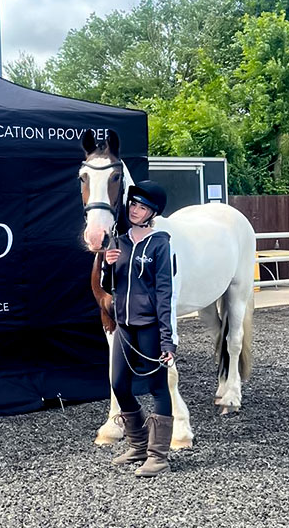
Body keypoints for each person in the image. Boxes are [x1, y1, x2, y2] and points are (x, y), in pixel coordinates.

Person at [102, 180, 177, 477]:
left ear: (152, 213)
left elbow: (164, 292)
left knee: (158, 387)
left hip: (149, 327)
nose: (135, 210)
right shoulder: (118, 242)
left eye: (142, 207)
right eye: (133, 204)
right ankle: (138, 443)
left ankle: (159, 456)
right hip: (123, 326)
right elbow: (108, 288)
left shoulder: (160, 243)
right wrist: (108, 266)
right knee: (119, 384)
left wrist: (167, 341)